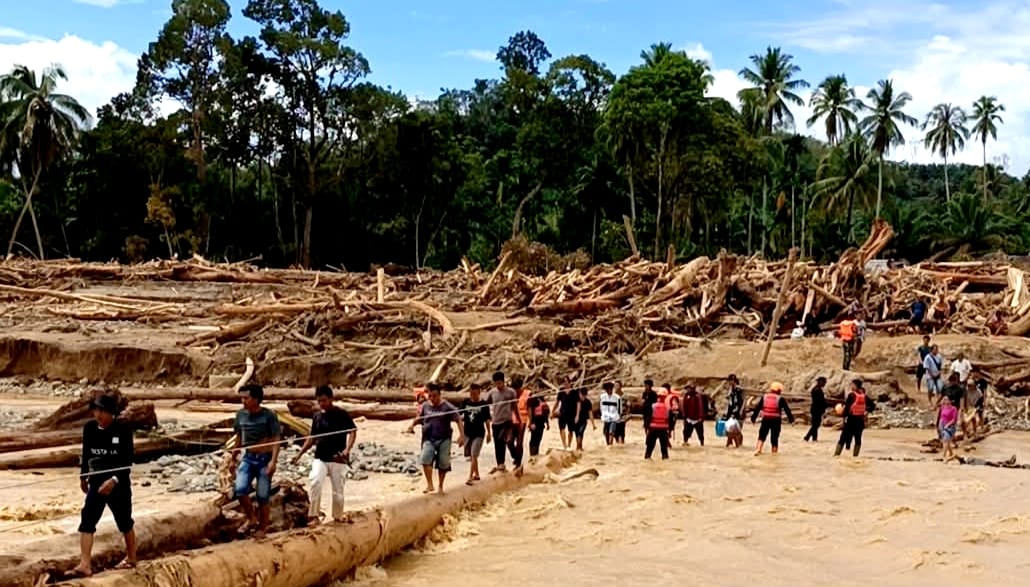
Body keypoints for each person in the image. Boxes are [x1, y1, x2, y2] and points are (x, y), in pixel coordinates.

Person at [71, 393, 136, 577]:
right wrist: (83, 476)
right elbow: (86, 453)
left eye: (103, 411)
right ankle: (85, 564)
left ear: (111, 413)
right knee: (87, 521)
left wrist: (114, 479)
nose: (98, 415)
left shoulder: (123, 430)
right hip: (97, 481)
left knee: (125, 521)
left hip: (119, 482)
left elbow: (128, 460)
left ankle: (131, 557)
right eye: (96, 410)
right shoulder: (89, 428)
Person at [291, 385, 356, 525]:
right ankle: (313, 516)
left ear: (331, 399)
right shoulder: (318, 416)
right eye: (319, 401)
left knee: (338, 491)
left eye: (324, 400)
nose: (322, 404)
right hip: (321, 456)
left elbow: (352, 431)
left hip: (338, 458)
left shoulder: (341, 414)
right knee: (315, 481)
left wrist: (347, 450)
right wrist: (299, 454)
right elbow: (312, 437)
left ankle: (337, 516)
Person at [232, 384, 281, 538]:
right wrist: (234, 455)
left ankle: (262, 528)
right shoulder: (240, 415)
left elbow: (276, 439)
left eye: (246, 398)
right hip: (248, 458)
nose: (243, 401)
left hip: (264, 460)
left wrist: (273, 462)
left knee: (262, 495)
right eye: (242, 397)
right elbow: (239, 436)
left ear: (256, 399)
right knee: (240, 489)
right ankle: (252, 518)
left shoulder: (269, 416)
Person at [411, 385, 465, 493]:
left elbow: (458, 419)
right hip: (429, 438)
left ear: (439, 395)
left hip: (444, 438)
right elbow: (420, 418)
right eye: (430, 396)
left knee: (443, 463)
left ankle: (440, 486)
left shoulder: (447, 406)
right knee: (425, 458)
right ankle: (430, 484)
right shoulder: (426, 406)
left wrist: (462, 435)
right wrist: (411, 425)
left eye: (434, 396)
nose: (432, 399)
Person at [487, 372, 523, 475]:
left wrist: (519, 419)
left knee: (509, 441)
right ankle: (500, 464)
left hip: (507, 422)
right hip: (496, 422)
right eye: (496, 383)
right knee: (498, 444)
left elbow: (515, 406)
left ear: (503, 381)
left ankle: (516, 457)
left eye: (500, 383)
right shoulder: (492, 393)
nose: (498, 385)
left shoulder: (511, 392)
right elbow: (485, 404)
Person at [750, 382, 794, 455]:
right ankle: (774, 453)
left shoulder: (764, 397)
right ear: (779, 390)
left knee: (762, 435)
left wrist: (753, 418)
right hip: (776, 420)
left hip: (766, 419)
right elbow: (787, 410)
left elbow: (758, 408)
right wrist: (791, 420)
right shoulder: (781, 399)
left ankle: (758, 449)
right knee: (774, 438)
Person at [459, 383, 491, 484]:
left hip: (479, 433)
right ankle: (477, 474)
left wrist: (489, 433)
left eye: (475, 394)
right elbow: (458, 415)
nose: (473, 396)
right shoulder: (465, 402)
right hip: (468, 432)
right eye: (471, 393)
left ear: (479, 393)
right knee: (470, 455)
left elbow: (487, 420)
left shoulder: (484, 404)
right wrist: (460, 434)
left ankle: (470, 477)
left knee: (474, 454)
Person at [834, 379, 874, 457]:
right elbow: (872, 405)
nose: (851, 386)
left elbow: (846, 408)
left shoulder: (851, 395)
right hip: (860, 421)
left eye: (852, 385)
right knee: (858, 439)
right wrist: (866, 411)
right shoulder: (864, 396)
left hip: (851, 420)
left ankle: (836, 455)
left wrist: (843, 417)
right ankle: (855, 457)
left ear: (856, 386)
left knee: (842, 438)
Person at [554, 378, 579, 450]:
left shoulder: (574, 392)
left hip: (571, 414)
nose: (565, 384)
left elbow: (578, 404)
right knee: (562, 429)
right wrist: (553, 411)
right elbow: (557, 402)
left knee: (571, 430)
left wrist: (577, 415)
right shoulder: (561, 392)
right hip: (562, 413)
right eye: (564, 383)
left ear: (570, 383)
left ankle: (569, 444)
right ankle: (564, 445)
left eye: (566, 382)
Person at [644, 391, 671, 460]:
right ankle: (665, 458)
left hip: (653, 428)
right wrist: (669, 430)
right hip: (663, 429)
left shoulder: (653, 406)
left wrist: (646, 427)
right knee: (664, 449)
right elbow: (670, 420)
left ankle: (648, 457)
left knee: (649, 447)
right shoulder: (667, 408)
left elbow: (648, 417)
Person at [526, 385, 550, 457]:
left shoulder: (542, 398)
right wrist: (531, 422)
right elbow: (530, 411)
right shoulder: (532, 399)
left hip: (541, 421)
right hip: (535, 421)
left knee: (538, 439)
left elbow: (545, 412)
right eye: (539, 388)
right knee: (534, 439)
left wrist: (547, 423)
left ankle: (536, 454)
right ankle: (532, 455)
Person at [803, 377, 828, 442]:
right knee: (816, 424)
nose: (824, 384)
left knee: (815, 424)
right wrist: (824, 406)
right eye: (824, 382)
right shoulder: (817, 390)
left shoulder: (817, 389)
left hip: (816, 409)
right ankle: (807, 437)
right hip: (817, 409)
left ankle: (814, 438)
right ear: (820, 382)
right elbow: (819, 401)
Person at [512, 376, 531, 462]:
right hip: (512, 419)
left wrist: (531, 421)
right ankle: (516, 456)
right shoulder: (511, 394)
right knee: (509, 441)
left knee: (519, 442)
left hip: (522, 419)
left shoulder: (527, 394)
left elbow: (530, 408)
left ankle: (518, 462)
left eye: (517, 388)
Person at [938, 396, 958, 463]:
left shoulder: (954, 409)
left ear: (950, 401)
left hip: (950, 426)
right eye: (944, 399)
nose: (945, 400)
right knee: (946, 441)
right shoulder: (943, 407)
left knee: (945, 440)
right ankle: (951, 453)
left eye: (946, 399)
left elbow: (954, 419)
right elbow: (941, 417)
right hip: (942, 425)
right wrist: (940, 426)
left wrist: (947, 425)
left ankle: (943, 456)